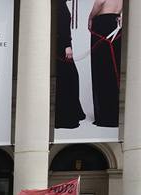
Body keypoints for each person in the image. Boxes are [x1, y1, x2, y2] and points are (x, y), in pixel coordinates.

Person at [88, 0, 123, 128]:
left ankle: (105, 116)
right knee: (114, 69)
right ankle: (115, 114)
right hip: (116, 24)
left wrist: (90, 17)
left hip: (102, 25)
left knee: (102, 71)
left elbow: (100, 2)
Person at [54, 0, 85, 129]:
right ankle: (66, 117)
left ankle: (71, 112)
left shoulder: (60, 5)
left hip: (61, 44)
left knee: (69, 78)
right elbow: (61, 27)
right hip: (62, 46)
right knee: (68, 79)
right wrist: (67, 46)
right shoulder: (60, 5)